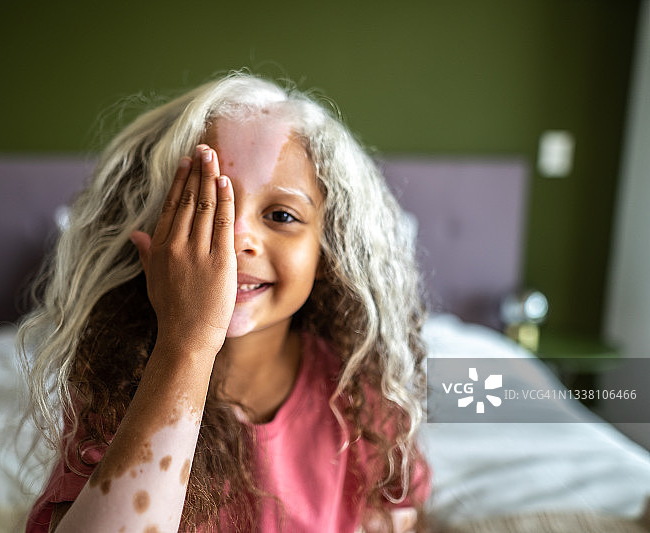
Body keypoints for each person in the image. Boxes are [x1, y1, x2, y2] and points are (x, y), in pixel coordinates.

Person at [21, 72, 430, 533]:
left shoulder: (360, 396)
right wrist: (187, 342)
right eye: (204, 208)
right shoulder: (113, 391)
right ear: (149, 234)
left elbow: (396, 518)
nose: (236, 239)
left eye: (281, 215)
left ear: (328, 253)